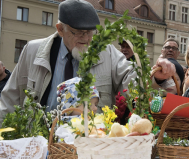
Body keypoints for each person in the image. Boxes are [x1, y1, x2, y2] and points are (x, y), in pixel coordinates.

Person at [0, 0, 175, 124]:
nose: (87, 39)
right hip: (40, 140)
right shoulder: (33, 50)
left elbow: (130, 76)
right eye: (78, 32)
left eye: (90, 32)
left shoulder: (106, 52)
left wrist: (157, 78)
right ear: (60, 29)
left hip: (90, 143)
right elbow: (10, 99)